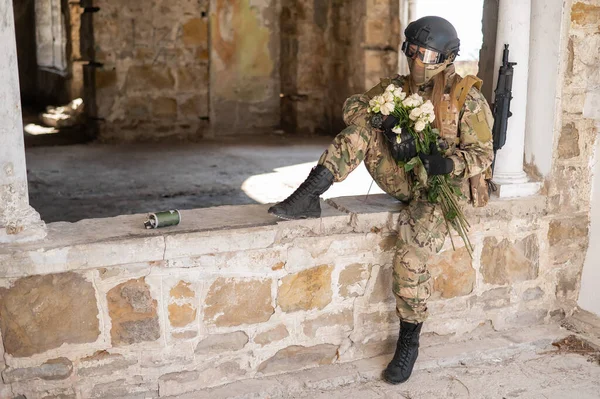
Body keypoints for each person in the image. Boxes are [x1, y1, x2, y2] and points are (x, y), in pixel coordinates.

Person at [268, 16, 494, 384]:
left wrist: (447, 162)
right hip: (405, 179)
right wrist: (386, 122)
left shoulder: (465, 98)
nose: (418, 61)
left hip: (441, 190)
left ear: (447, 58)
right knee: (363, 131)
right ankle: (310, 192)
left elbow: (483, 154)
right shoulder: (397, 88)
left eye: (427, 54)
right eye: (414, 51)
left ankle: (409, 342)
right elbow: (352, 107)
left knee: (410, 250)